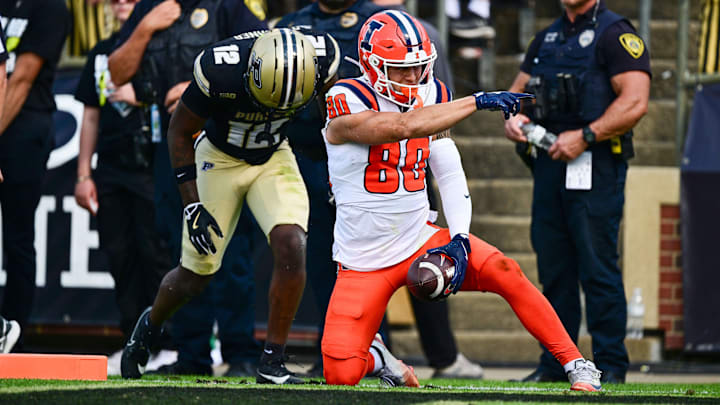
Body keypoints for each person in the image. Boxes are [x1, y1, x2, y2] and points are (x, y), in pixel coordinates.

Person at [320, 10, 601, 392]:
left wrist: (460, 237)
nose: (412, 77)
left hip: (418, 235)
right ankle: (379, 358)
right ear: (371, 64)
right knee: (340, 374)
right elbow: (401, 126)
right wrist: (478, 101)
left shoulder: (433, 92)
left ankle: (576, 363)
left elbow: (447, 169)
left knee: (505, 270)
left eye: (419, 67)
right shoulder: (344, 97)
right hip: (363, 257)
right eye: (400, 69)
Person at [120, 28, 340, 385]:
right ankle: (149, 326)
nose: (275, 110)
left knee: (292, 244)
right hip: (218, 159)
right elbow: (178, 132)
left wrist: (338, 170)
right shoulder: (221, 68)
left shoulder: (321, 57)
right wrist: (191, 206)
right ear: (251, 73)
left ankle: (272, 363)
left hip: (273, 157)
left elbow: (336, 118)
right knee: (196, 275)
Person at [108, 0, 269, 376]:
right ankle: (192, 353)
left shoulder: (228, 6)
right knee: (180, 246)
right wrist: (145, 26)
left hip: (222, 142)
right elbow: (116, 72)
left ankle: (241, 352)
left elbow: (265, 54)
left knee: (231, 248)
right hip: (173, 145)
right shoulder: (148, 7)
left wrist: (199, 84)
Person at [502, 0, 650, 384]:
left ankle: (610, 366)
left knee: (597, 267)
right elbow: (515, 97)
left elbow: (635, 100)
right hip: (550, 163)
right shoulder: (546, 38)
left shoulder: (616, 34)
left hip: (595, 164)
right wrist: (515, 119)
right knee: (554, 270)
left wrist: (586, 136)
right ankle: (557, 364)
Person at [372, 0, 483, 379]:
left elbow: (439, 104)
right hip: (367, 180)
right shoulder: (353, 34)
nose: (413, 73)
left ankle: (444, 355)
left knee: (432, 268)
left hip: (414, 173)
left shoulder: (424, 35)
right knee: (366, 272)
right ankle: (373, 350)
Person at [73, 0, 171, 353]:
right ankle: (133, 342)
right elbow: (90, 116)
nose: (122, 3)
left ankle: (167, 342)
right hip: (111, 167)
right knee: (119, 254)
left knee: (157, 254)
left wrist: (144, 97)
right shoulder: (101, 52)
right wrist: (84, 173)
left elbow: (184, 98)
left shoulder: (163, 42)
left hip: (152, 163)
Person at [0, 0, 71, 349]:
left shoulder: (50, 8)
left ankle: (13, 332)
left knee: (17, 237)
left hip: (26, 127)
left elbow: (21, 78)